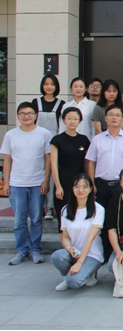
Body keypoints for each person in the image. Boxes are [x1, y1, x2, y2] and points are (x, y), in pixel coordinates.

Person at [1, 102, 52, 265]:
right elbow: (7, 159)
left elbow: (48, 158)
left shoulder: (44, 134)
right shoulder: (11, 135)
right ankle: (21, 250)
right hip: (17, 183)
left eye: (30, 113)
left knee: (36, 219)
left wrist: (46, 180)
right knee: (19, 221)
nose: (26, 116)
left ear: (36, 115)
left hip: (37, 183)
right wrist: (6, 183)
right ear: (18, 116)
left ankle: (35, 249)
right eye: (22, 113)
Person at [86, 104, 123, 261]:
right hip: (102, 185)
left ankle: (121, 251)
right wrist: (92, 184)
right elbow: (91, 162)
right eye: (111, 115)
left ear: (122, 119)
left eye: (118, 115)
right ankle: (105, 252)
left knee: (121, 218)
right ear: (105, 119)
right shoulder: (97, 139)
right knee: (102, 219)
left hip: (121, 186)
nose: (114, 118)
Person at [51, 174, 104, 291]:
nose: (81, 190)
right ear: (72, 189)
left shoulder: (98, 209)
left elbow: (90, 238)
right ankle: (68, 276)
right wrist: (69, 248)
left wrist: (80, 263)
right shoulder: (65, 210)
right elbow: (65, 236)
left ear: (90, 189)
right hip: (75, 253)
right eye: (77, 187)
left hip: (92, 254)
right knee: (57, 256)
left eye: (85, 187)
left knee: (74, 282)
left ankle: (89, 273)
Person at [50, 107, 91, 232]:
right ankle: (64, 241)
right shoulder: (57, 140)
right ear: (63, 120)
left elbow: (87, 163)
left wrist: (89, 183)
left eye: (75, 119)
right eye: (69, 118)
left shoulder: (84, 140)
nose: (72, 121)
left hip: (80, 181)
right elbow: (53, 164)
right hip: (63, 179)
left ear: (80, 121)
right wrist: (58, 186)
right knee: (63, 214)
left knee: (80, 212)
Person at [32, 74, 65, 220]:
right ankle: (37, 205)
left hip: (54, 142)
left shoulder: (61, 104)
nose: (49, 86)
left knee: (52, 174)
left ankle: (50, 207)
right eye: (46, 84)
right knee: (37, 172)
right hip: (36, 142)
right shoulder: (35, 102)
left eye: (52, 84)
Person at [59, 77, 96, 142]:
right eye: (75, 86)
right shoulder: (66, 106)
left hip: (87, 140)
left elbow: (93, 126)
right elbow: (62, 125)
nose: (78, 89)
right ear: (71, 88)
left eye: (81, 87)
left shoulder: (92, 105)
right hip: (68, 141)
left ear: (86, 89)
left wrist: (93, 141)